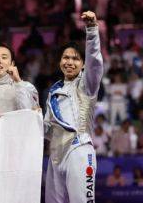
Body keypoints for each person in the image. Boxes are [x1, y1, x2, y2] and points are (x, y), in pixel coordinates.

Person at [44, 11, 103, 203]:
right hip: (55, 157)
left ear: (83, 65)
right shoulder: (53, 91)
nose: (69, 62)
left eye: (76, 58)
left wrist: (92, 30)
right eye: (66, 58)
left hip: (78, 151)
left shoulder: (87, 85)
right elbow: (47, 129)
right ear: (60, 61)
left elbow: (95, 61)